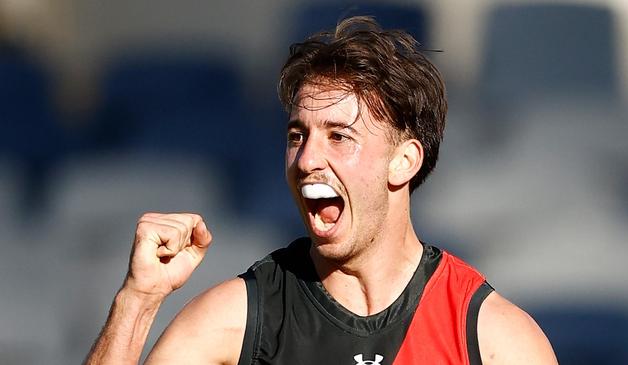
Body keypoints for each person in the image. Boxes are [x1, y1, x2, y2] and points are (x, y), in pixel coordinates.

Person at [85, 16, 557, 365]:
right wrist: (138, 299)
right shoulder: (243, 318)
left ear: (404, 160)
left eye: (339, 136)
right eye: (297, 135)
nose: (307, 159)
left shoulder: (491, 339)